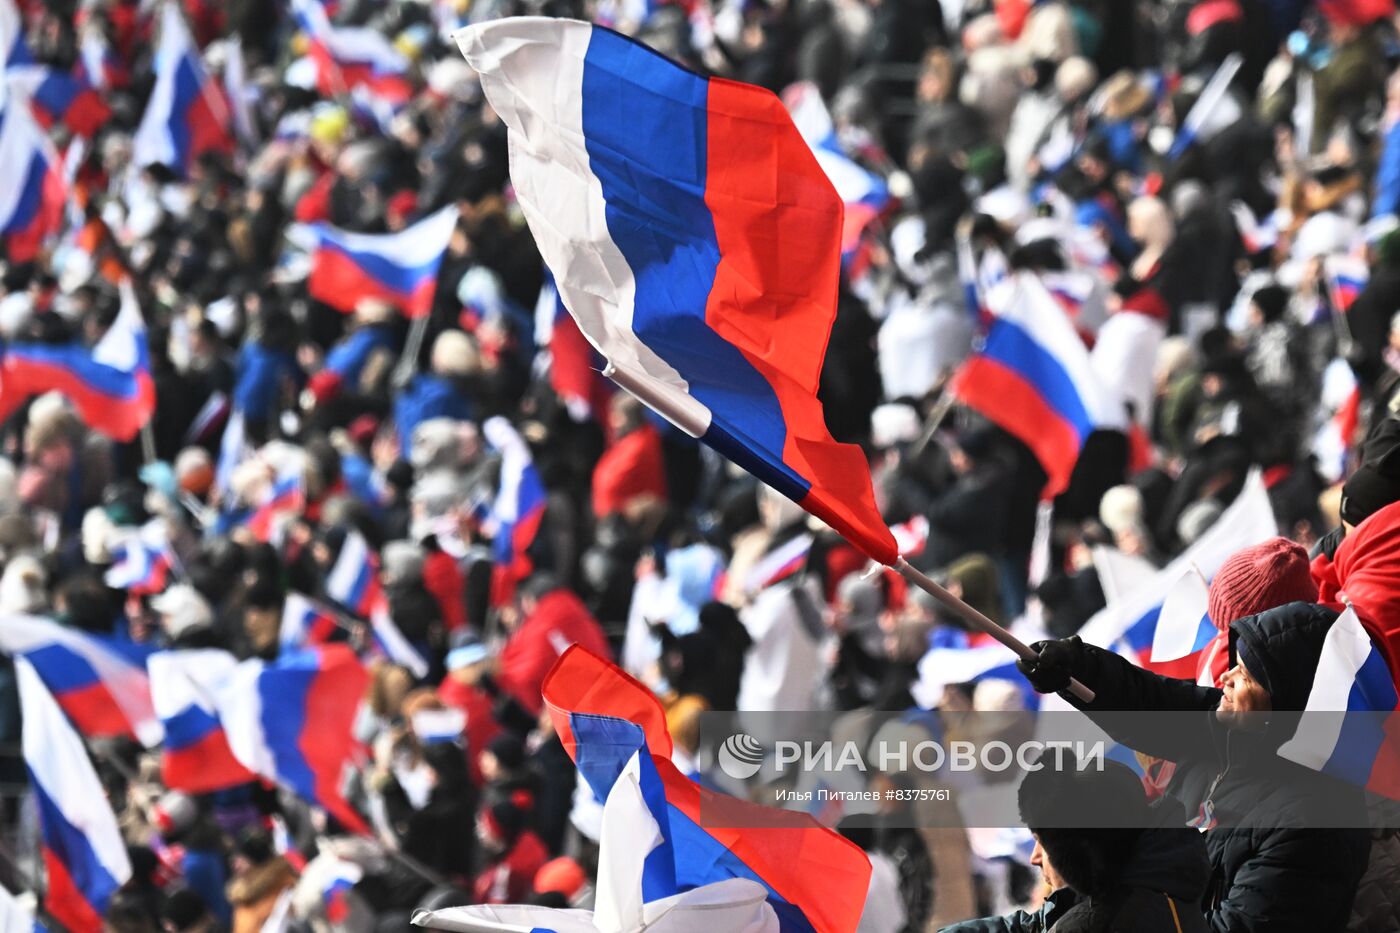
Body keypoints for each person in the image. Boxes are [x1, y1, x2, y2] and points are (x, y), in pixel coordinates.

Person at [1016, 602, 1371, 932]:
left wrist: (1106, 920)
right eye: (1236, 662)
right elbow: (1147, 701)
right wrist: (1075, 668)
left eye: (1247, 675)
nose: (1227, 677)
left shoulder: (1316, 823)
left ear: (1290, 702)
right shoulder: (1229, 729)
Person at [942, 760, 1210, 932]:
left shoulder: (1089, 924)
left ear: (1079, 848)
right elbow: (1034, 925)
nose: (1034, 858)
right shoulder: (1152, 885)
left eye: (1042, 843)